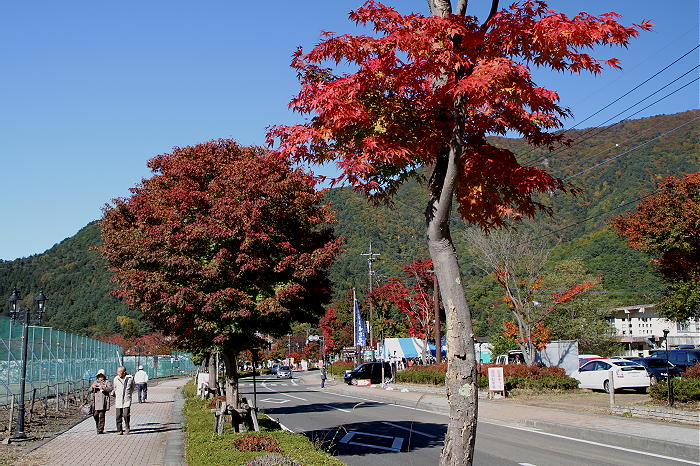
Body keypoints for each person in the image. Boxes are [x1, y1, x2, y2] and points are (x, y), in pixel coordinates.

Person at [113, 366, 134, 434]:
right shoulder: (116, 379)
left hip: (126, 399)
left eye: (119, 371)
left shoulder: (130, 378)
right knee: (118, 415)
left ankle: (127, 427)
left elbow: (132, 387)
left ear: (124, 372)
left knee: (125, 414)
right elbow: (115, 387)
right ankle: (119, 430)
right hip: (118, 399)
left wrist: (128, 394)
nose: (118, 373)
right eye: (118, 371)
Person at [90, 369, 112, 434]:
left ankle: (100, 429)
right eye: (99, 376)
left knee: (102, 416)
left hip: (103, 401)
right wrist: (93, 387)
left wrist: (104, 388)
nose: (100, 377)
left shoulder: (107, 382)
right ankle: (97, 425)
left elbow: (110, 389)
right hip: (95, 402)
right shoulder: (95, 382)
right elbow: (90, 390)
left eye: (102, 376)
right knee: (95, 414)